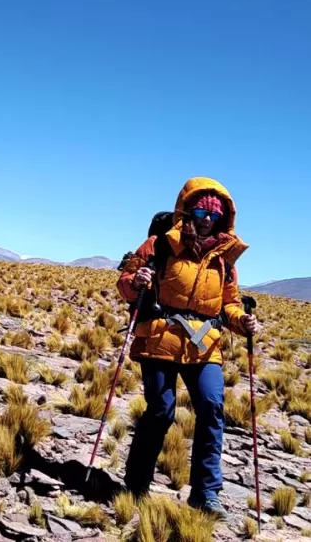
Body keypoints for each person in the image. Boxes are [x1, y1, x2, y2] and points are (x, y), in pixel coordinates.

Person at [117, 177, 261, 517]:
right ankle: (136, 485)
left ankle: (206, 495)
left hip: (204, 347)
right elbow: (126, 283)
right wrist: (135, 282)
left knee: (212, 408)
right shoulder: (159, 245)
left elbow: (229, 304)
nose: (207, 219)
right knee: (161, 410)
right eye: (200, 210)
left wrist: (241, 322)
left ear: (224, 218)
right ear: (187, 210)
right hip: (160, 339)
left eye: (215, 213)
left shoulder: (224, 259)